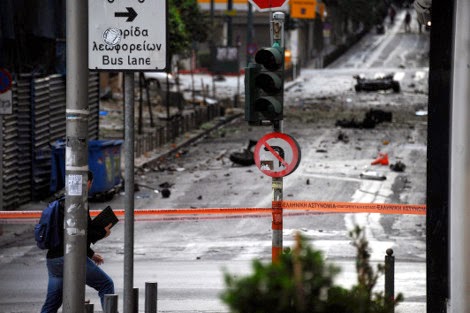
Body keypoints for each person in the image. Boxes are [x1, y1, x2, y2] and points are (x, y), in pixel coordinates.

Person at [41, 171, 114, 313]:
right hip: (72, 257)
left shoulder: (60, 203)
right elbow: (81, 237)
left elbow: (69, 235)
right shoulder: (79, 204)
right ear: (89, 183)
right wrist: (103, 233)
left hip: (54, 260)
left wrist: (91, 254)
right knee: (106, 284)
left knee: (52, 304)